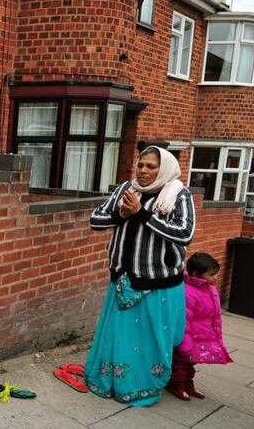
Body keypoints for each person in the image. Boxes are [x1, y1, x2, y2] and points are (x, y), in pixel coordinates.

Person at [85, 145, 195, 406]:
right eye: (141, 165)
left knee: (150, 340)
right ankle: (112, 381)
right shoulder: (126, 190)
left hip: (158, 283)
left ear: (164, 168)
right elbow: (95, 220)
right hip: (123, 278)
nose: (143, 171)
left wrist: (142, 214)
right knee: (120, 337)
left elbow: (184, 233)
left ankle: (143, 386)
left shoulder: (178, 194)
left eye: (151, 166)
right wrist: (121, 214)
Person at [166, 252, 233, 400]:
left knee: (191, 363)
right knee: (180, 363)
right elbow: (184, 320)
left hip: (201, 335)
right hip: (189, 337)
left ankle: (188, 383)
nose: (215, 277)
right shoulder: (188, 292)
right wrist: (184, 342)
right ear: (196, 274)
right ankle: (176, 384)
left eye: (216, 274)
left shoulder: (210, 289)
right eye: (211, 274)